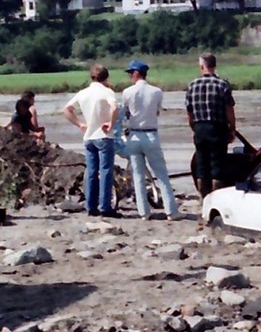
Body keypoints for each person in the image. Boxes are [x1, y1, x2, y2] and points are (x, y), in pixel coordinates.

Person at [120, 59, 181, 220]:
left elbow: (125, 113)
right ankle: (171, 211)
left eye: (130, 74)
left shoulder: (127, 92)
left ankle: (144, 212)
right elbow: (157, 112)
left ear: (136, 74)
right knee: (161, 174)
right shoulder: (157, 92)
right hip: (151, 134)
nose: (129, 77)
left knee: (138, 176)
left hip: (134, 135)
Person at [63, 64, 119, 218]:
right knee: (106, 171)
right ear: (106, 77)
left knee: (91, 172)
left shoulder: (83, 93)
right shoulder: (107, 92)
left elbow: (67, 109)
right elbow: (115, 108)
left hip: (89, 136)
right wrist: (111, 123)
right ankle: (105, 206)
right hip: (104, 135)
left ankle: (90, 206)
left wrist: (80, 124)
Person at [185, 52, 236, 197]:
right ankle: (216, 199)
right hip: (217, 127)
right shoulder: (222, 84)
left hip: (200, 127)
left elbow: (189, 112)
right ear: (214, 66)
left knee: (202, 167)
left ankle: (203, 200)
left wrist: (194, 127)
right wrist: (232, 129)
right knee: (217, 166)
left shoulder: (192, 85)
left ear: (202, 66)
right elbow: (229, 110)